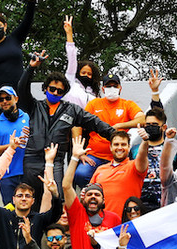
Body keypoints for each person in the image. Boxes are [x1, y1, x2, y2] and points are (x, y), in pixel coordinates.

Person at [16, 50, 115, 200]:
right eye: (52, 89)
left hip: (56, 162)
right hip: (32, 160)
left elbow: (94, 122)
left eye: (60, 91)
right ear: (45, 89)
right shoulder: (34, 106)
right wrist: (31, 67)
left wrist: (114, 134)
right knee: (30, 200)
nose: (55, 93)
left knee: (56, 200)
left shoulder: (71, 109)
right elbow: (22, 89)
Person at [79, 75, 144, 186]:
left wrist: (120, 126)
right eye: (108, 86)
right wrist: (79, 150)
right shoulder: (94, 104)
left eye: (115, 86)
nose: (112, 88)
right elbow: (78, 123)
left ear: (120, 88)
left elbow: (142, 119)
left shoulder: (127, 105)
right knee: (81, 174)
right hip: (94, 155)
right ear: (103, 89)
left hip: (119, 155)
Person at [0, 86, 31, 203]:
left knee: (30, 211)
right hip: (6, 175)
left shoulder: (27, 117)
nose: (4, 101)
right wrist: (10, 146)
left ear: (16, 99)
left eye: (8, 98)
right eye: (1, 99)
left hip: (28, 173)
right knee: (9, 212)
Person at [88, 130, 150, 218]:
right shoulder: (100, 169)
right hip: (104, 225)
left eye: (123, 144)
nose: (120, 148)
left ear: (129, 147)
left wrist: (145, 141)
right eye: (116, 144)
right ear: (110, 147)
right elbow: (89, 195)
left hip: (127, 222)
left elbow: (142, 155)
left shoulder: (134, 166)